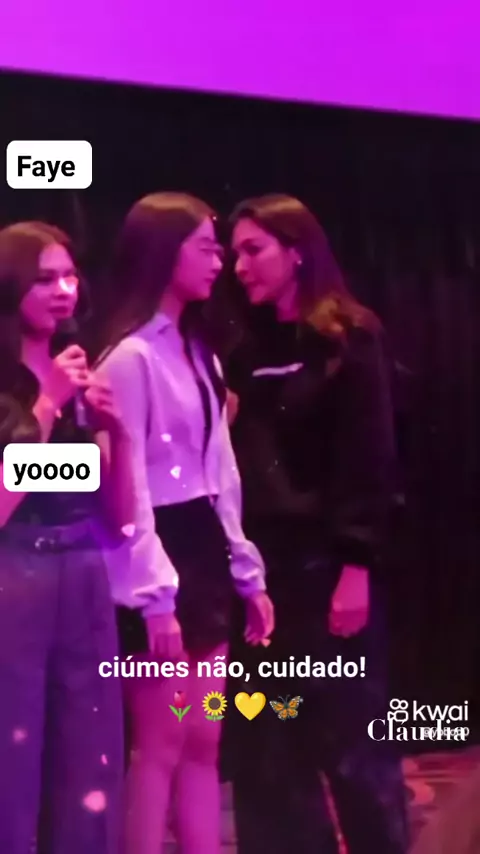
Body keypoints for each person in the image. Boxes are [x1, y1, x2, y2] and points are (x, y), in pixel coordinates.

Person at [222, 194, 409, 853]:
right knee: (271, 759)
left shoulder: (347, 338)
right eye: (233, 253)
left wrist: (356, 565)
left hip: (327, 569)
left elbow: (370, 457)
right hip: (259, 580)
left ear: (297, 251)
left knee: (355, 748)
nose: (239, 266)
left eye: (254, 250)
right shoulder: (240, 350)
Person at [93, 192, 274, 854]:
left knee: (204, 739)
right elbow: (131, 488)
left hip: (202, 545)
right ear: (165, 254)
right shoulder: (131, 358)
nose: (219, 261)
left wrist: (247, 574)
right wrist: (154, 599)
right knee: (160, 744)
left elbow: (220, 473)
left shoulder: (200, 353)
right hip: (155, 553)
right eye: (206, 248)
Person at [0, 221, 135, 854]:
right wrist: (47, 406)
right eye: (44, 279)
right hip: (14, 575)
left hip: (83, 570)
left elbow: (120, 522)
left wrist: (119, 435)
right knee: (12, 760)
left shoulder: (76, 371)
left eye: (69, 277)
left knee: (89, 761)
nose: (63, 290)